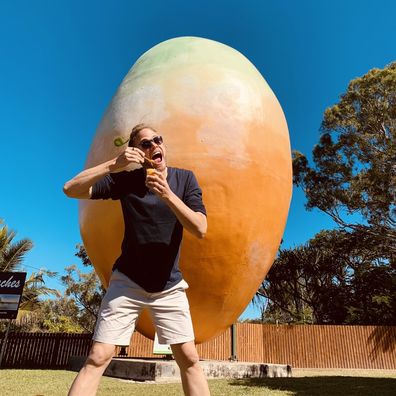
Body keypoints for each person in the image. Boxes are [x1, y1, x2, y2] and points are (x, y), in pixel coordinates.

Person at [63, 123, 210, 396]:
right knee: (97, 356)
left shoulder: (185, 179)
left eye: (158, 140)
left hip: (169, 284)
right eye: (145, 143)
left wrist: (167, 195)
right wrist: (113, 165)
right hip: (127, 282)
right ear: (137, 152)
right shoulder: (127, 181)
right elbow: (70, 189)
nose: (154, 145)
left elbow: (200, 227)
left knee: (189, 359)